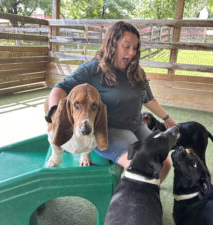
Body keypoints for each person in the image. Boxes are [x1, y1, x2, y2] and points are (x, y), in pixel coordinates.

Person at [47, 21, 177, 182]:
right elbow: (60, 88)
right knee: (140, 165)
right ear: (112, 44)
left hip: (136, 125)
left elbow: (148, 99)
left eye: (135, 48)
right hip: (108, 130)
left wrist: (167, 118)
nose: (131, 53)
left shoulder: (137, 72)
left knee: (165, 163)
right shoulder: (92, 70)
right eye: (126, 46)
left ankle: (151, 193)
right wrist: (54, 114)